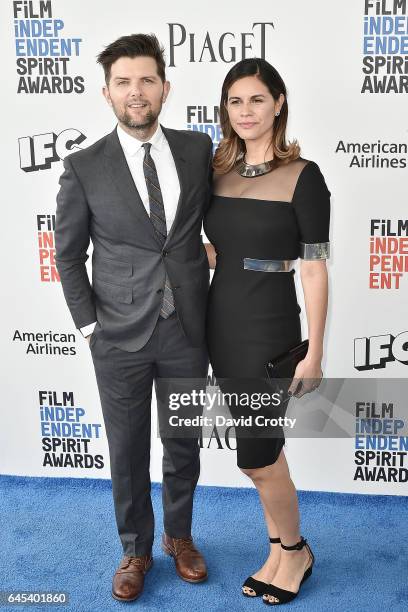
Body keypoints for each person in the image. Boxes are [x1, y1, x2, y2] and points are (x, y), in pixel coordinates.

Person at [55, 33, 213, 602]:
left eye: (147, 79)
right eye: (123, 82)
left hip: (187, 328)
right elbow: (68, 256)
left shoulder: (198, 150)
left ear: (165, 87)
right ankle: (135, 548)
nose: (136, 92)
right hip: (117, 335)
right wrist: (91, 327)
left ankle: (180, 536)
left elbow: (212, 226)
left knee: (183, 442)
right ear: (107, 94)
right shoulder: (84, 167)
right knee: (126, 448)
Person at [204, 57, 330, 605]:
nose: (245, 111)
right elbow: (218, 253)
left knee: (257, 453)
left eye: (256, 99)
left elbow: (314, 267)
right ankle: (279, 550)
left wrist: (316, 351)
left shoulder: (304, 176)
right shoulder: (217, 172)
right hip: (221, 323)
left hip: (271, 328)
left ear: (278, 103)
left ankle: (296, 550)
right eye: (235, 101)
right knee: (264, 451)